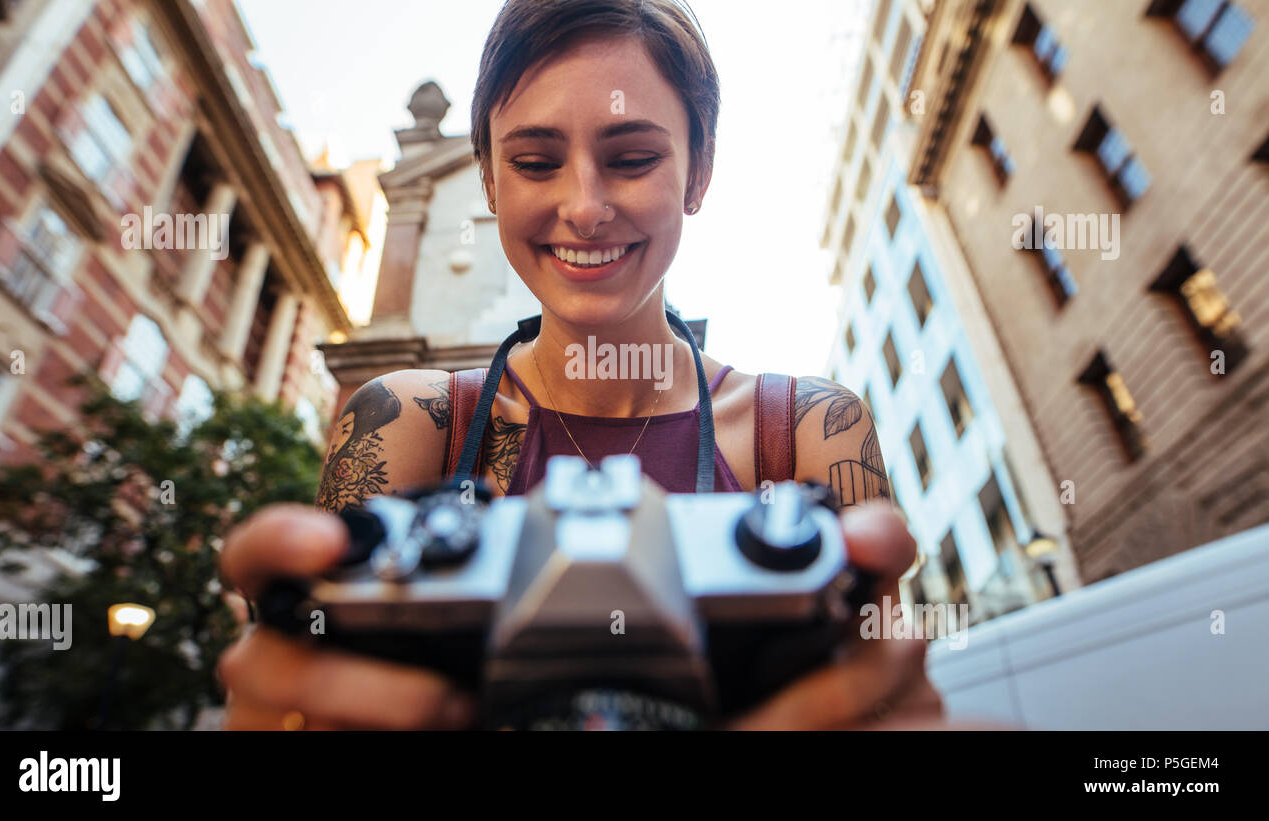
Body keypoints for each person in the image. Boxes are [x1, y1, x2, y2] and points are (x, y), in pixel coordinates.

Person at [217, 0, 943, 730]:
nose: (585, 207)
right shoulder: (407, 422)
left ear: (700, 172)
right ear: (490, 181)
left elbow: (878, 693)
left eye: (632, 158)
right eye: (535, 163)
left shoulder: (807, 428)